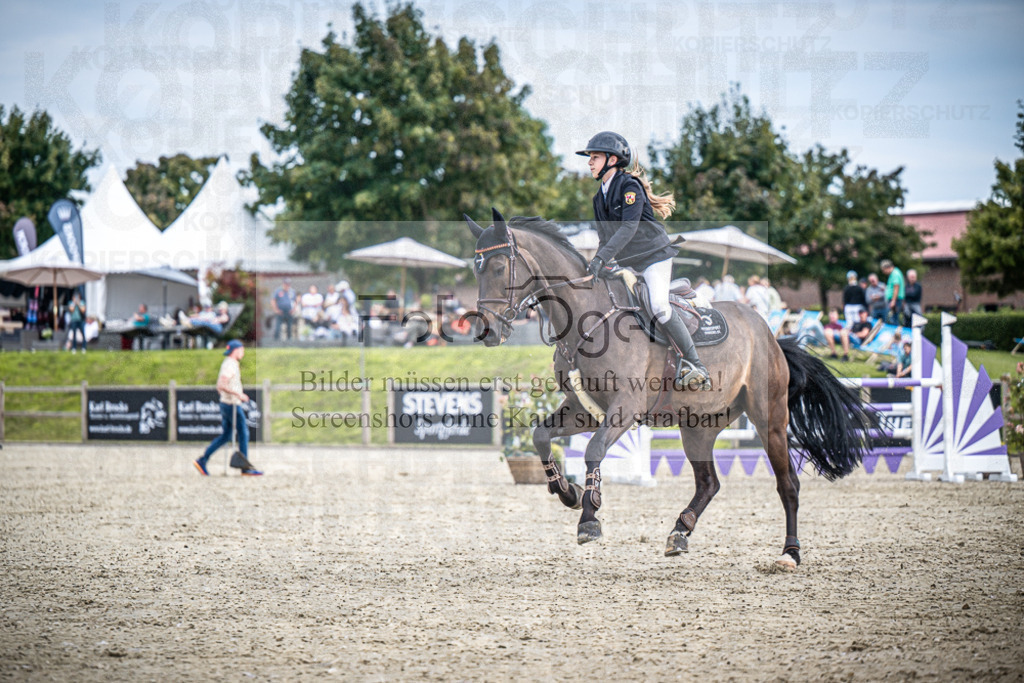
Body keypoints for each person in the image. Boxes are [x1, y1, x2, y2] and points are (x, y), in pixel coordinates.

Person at [576, 130, 710, 388]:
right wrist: (598, 262)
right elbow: (605, 237)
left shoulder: (629, 186)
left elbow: (628, 228)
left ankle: (696, 363)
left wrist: (602, 257)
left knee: (659, 306)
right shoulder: (598, 198)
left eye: (594, 157)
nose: (589, 162)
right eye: (589, 158)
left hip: (653, 258)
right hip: (628, 263)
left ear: (612, 160)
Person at [194, 340, 262, 476]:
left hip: (226, 403)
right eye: (242, 349)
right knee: (243, 433)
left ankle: (203, 460)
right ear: (236, 350)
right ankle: (244, 466)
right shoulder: (230, 364)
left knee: (226, 435)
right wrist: (239, 394)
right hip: (232, 405)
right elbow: (221, 384)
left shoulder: (229, 363)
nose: (243, 352)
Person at [880, 259, 905, 325]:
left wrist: (893, 301)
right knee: (893, 318)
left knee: (893, 319)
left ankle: (895, 334)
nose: (883, 272)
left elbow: (896, 287)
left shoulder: (895, 274)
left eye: (883, 270)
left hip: (895, 300)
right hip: (894, 300)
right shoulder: (894, 273)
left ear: (887, 267)